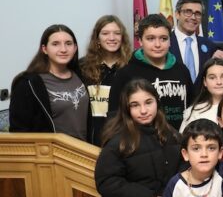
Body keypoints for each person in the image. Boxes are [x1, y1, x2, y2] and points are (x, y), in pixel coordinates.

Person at [109, 14, 194, 131]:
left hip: (178, 142)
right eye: (150, 38)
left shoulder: (182, 70)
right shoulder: (126, 74)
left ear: (170, 41)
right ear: (140, 41)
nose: (158, 44)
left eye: (163, 38)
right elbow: (114, 116)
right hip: (139, 143)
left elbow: (192, 107)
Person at [10, 24, 91, 141]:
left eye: (68, 43)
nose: (63, 49)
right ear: (44, 49)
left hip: (84, 151)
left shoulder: (82, 75)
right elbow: (19, 132)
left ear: (75, 48)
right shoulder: (28, 84)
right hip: (52, 155)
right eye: (55, 44)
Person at [79, 15, 133, 145]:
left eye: (117, 33)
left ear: (122, 38)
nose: (112, 38)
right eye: (105, 33)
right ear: (97, 38)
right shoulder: (82, 67)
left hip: (124, 138)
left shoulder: (131, 66)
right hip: (90, 139)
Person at [169, 0, 223, 83]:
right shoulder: (165, 42)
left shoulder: (209, 46)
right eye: (188, 12)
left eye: (198, 13)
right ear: (177, 14)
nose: (193, 17)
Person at [179, 58, 223, 132]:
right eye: (212, 78)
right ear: (205, 82)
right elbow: (183, 141)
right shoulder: (194, 112)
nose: (219, 82)